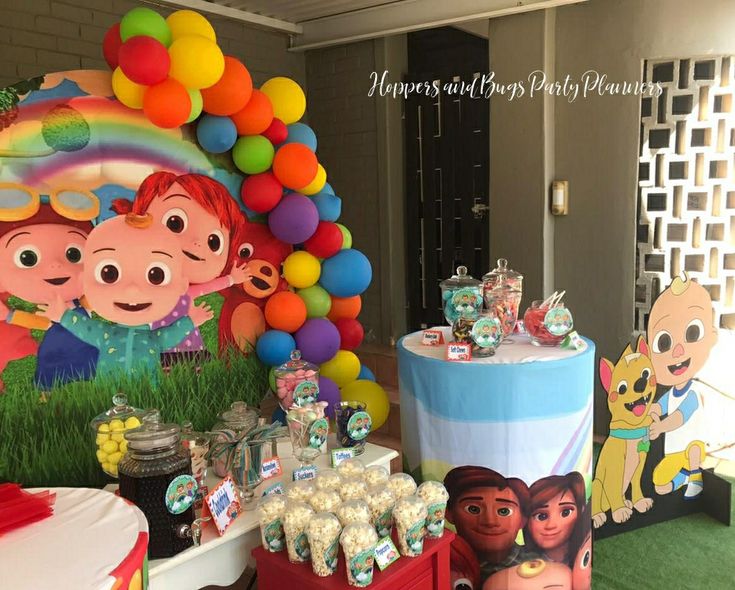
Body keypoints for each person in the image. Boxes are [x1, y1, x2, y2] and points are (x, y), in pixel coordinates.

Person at [40, 213, 212, 382]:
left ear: (181, 285)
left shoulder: (155, 338)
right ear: (83, 282)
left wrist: (191, 320)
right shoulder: (105, 334)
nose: (132, 289)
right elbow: (86, 327)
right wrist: (63, 315)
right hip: (108, 399)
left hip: (147, 397)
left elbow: (172, 334)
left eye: (156, 276)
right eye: (109, 274)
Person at [111, 172, 249, 366]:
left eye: (213, 242)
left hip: (188, 338)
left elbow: (206, 288)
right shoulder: (145, 289)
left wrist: (232, 279)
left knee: (191, 363)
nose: (196, 244)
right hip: (156, 339)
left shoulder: (185, 291)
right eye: (175, 223)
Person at [0, 186, 100, 392]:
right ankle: (46, 395)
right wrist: (9, 316)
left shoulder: (81, 304)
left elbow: (96, 302)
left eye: (74, 255)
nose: (55, 264)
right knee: (50, 377)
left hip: (87, 349)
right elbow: (42, 323)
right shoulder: (46, 311)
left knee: (91, 374)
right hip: (53, 352)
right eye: (27, 258)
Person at [646, 273, 718, 499]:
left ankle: (695, 476)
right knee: (659, 485)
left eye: (692, 333)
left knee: (695, 450)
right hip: (673, 453)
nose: (677, 352)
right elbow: (659, 406)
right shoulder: (670, 393)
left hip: (691, 449)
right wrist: (651, 414)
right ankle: (684, 478)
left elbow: (680, 416)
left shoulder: (694, 392)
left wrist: (660, 427)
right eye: (664, 343)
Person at [444, 466, 536, 582]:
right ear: (448, 513)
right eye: (473, 509)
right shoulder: (442, 566)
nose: (490, 521)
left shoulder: (541, 564)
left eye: (504, 511)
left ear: (523, 519)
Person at [524, 472, 587, 564]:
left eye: (566, 512)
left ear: (581, 511)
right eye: (541, 516)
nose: (551, 525)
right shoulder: (519, 561)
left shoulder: (584, 559)